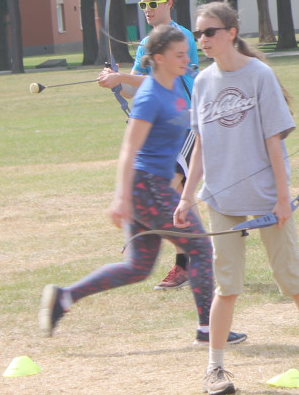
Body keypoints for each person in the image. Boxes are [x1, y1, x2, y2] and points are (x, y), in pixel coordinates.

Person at [39, 24, 243, 369]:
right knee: (200, 247)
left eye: (187, 55)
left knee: (137, 267)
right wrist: (121, 198)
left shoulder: (171, 89)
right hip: (145, 186)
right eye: (179, 56)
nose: (186, 61)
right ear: (159, 59)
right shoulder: (151, 96)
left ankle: (64, 296)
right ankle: (208, 328)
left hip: (150, 186)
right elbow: (128, 149)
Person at [176, 1, 299, 394]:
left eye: (210, 32)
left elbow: (274, 142)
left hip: (267, 201)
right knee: (227, 287)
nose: (202, 39)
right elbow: (200, 145)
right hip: (220, 200)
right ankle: (215, 371)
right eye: (199, 33)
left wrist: (282, 198)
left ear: (231, 32)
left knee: (292, 281)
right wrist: (187, 198)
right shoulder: (202, 81)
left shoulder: (260, 76)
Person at [97, 0, 199, 290]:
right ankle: (186, 254)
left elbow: (163, 81)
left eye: (153, 3)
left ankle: (186, 262)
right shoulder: (146, 44)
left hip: (186, 125)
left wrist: (122, 76)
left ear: (168, 3)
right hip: (161, 131)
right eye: (143, 4)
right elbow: (133, 90)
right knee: (165, 193)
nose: (147, 9)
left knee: (171, 191)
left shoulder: (180, 37)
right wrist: (115, 81)